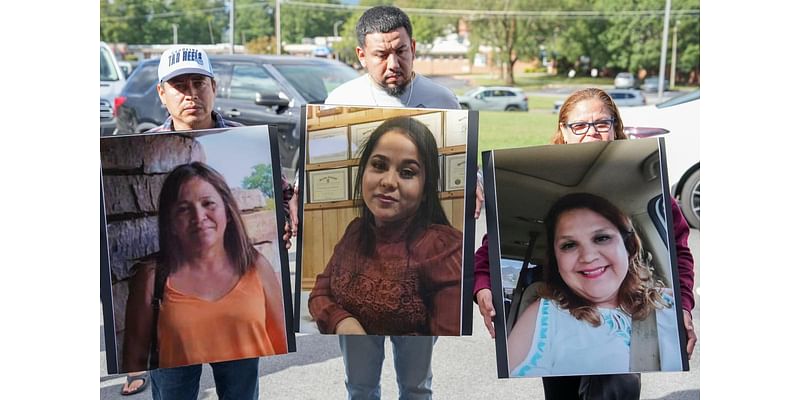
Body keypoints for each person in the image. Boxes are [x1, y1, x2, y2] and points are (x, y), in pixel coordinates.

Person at [473, 88, 697, 399]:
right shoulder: (542, 315)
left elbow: (680, 253)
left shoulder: (662, 307)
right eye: (578, 126)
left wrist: (683, 307)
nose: (590, 133)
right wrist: (484, 288)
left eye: (601, 124)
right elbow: (489, 253)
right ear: (562, 132)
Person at [125, 44, 294, 400]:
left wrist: (287, 217)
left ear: (214, 88)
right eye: (179, 85)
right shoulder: (143, 145)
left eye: (199, 83)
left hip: (238, 334)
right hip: (173, 339)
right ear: (162, 93)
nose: (191, 94)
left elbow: (284, 194)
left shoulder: (249, 138)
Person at [323, 6, 461, 399]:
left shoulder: (442, 98)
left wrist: (478, 183)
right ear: (361, 56)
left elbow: (467, 167)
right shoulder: (339, 99)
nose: (393, 63)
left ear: (414, 47)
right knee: (360, 387)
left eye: (401, 51)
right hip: (360, 301)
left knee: (417, 386)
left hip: (417, 302)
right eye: (381, 55)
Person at [122, 161, 287, 398]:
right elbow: (135, 351)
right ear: (171, 221)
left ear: (227, 212)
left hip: (241, 359)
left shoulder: (256, 266)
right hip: (172, 364)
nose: (199, 216)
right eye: (183, 208)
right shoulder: (151, 275)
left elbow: (279, 338)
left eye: (208, 203)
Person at [308, 117, 462, 336]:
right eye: (379, 166)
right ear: (364, 172)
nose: (389, 181)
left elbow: (449, 349)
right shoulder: (355, 231)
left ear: (426, 189)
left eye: (407, 172)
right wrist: (343, 323)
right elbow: (320, 293)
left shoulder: (446, 249)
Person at [507, 192, 681, 378]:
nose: (588, 256)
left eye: (602, 238)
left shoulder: (671, 304)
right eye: (569, 245)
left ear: (628, 246)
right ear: (557, 260)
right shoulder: (543, 315)